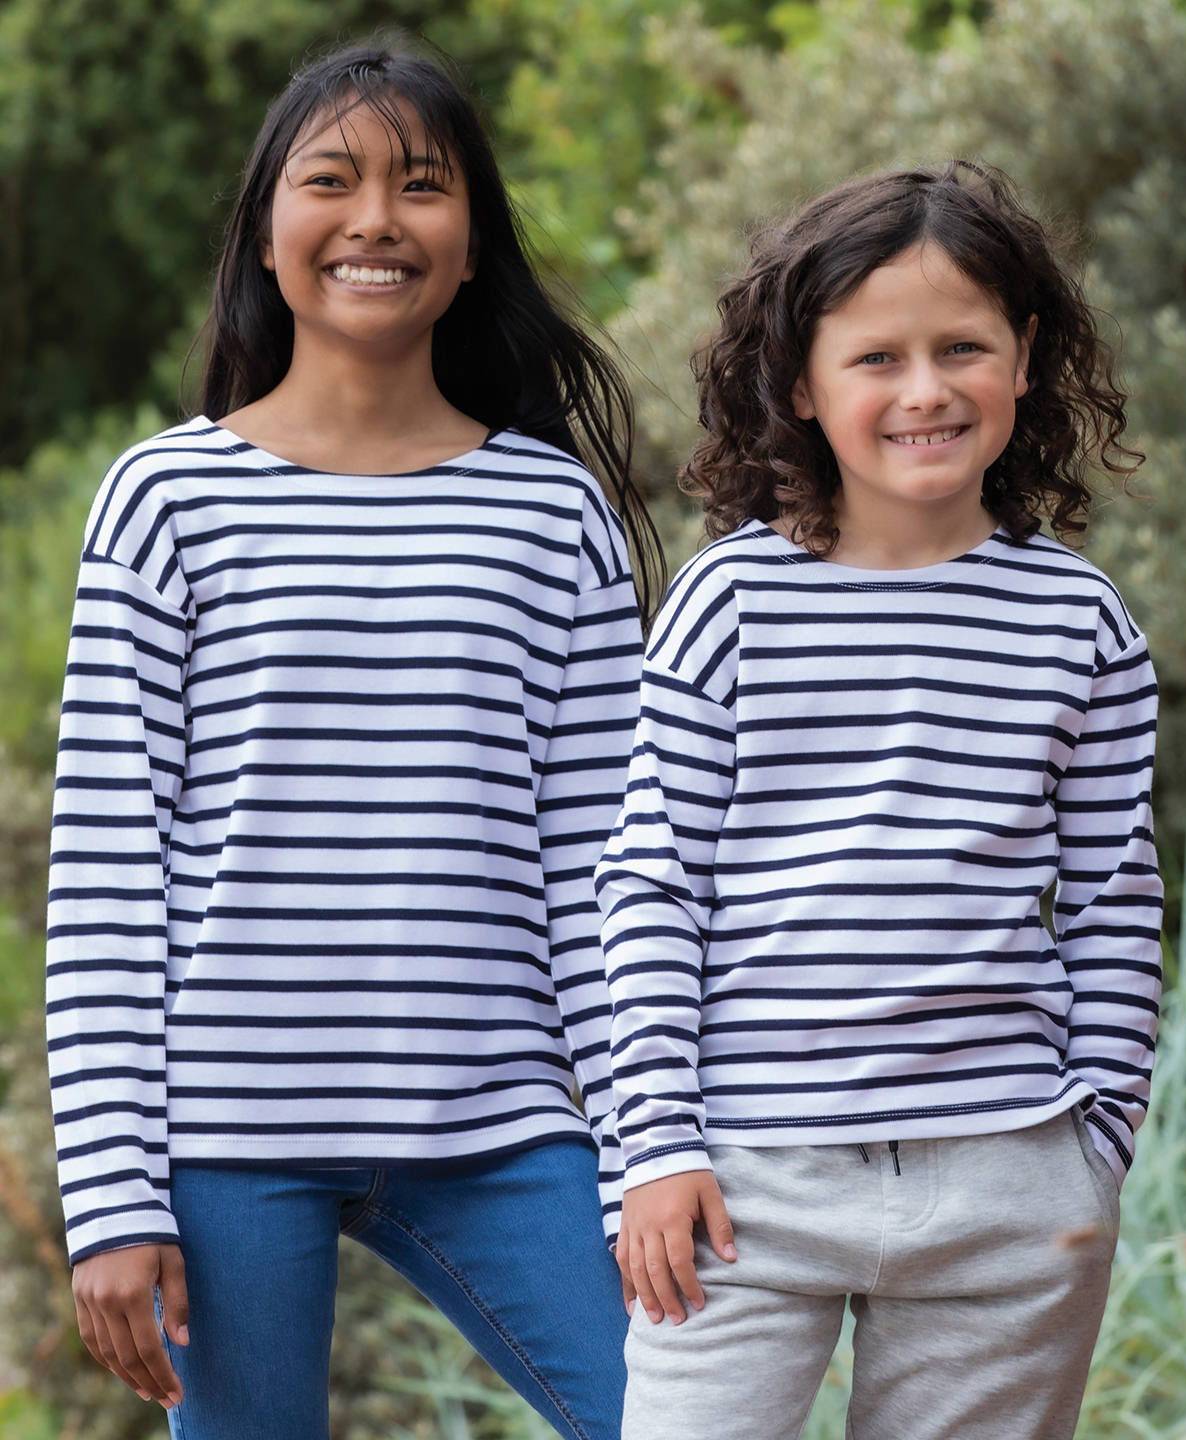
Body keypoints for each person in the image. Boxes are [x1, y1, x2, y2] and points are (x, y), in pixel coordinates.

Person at [46, 40, 664, 1440]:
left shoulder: (549, 516)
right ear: (269, 235)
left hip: (502, 1129)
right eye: (332, 179)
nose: (377, 215)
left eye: (423, 185)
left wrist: (643, 1156)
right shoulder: (166, 500)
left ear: (468, 250)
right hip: (224, 1144)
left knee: (685, 1416)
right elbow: (105, 877)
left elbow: (604, 879)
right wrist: (111, 1197)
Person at [595, 161, 1162, 1440]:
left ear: (1024, 358)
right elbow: (649, 885)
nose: (925, 390)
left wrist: (1096, 1144)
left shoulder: (1082, 624)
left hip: (1009, 1193)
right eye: (876, 358)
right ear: (800, 383)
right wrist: (656, 1148)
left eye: (962, 346)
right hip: (740, 1188)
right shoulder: (726, 605)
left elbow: (1117, 902)